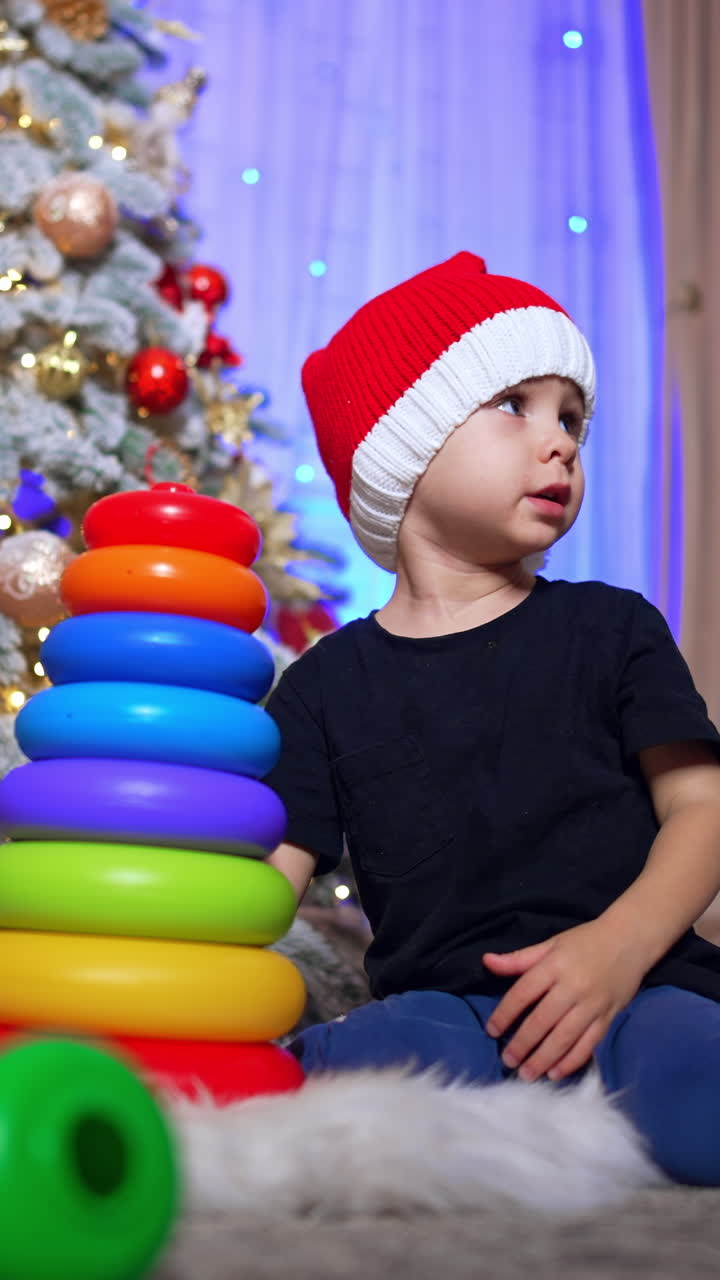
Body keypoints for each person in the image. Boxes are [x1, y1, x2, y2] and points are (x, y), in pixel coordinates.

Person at [264, 251, 720, 1185]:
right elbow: (271, 883)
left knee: (691, 1095)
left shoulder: (612, 626)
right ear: (405, 445)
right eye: (515, 405)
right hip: (452, 1010)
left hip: (640, 985)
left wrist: (617, 949)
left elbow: (704, 811)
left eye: (572, 420)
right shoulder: (322, 687)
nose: (558, 443)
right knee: (354, 1088)